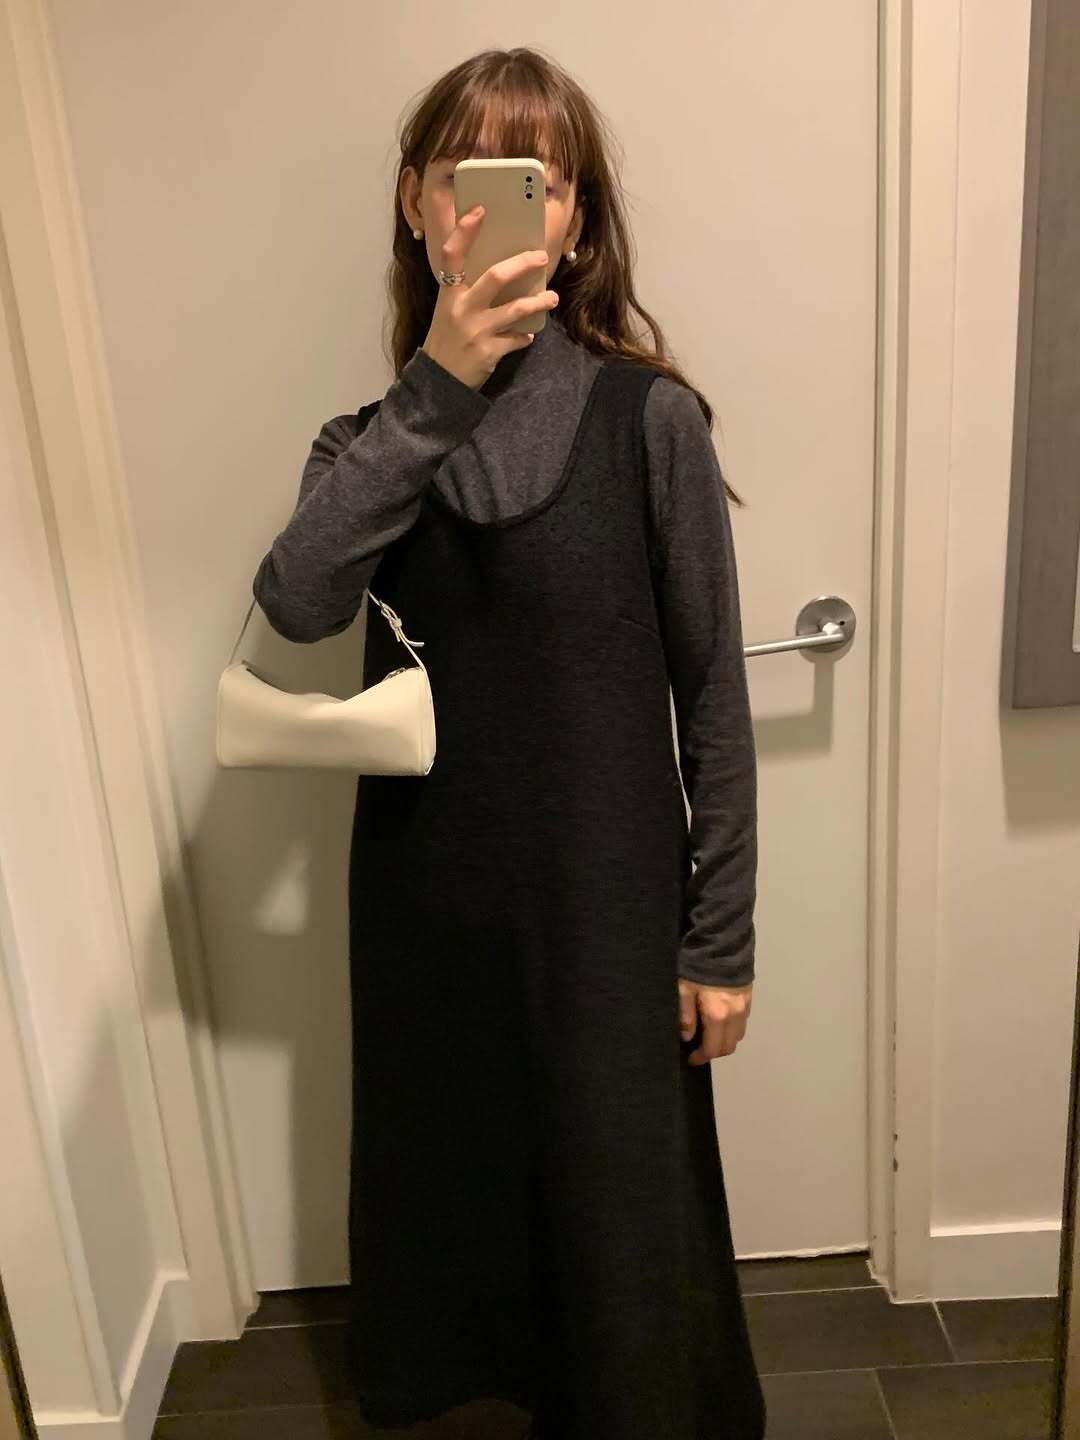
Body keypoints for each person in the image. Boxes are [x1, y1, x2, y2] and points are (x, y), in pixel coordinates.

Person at [252, 45, 765, 1440]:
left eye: (536, 181)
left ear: (576, 222)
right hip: (429, 919)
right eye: (461, 176)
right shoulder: (363, 442)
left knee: (619, 1213)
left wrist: (720, 938)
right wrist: (436, 391)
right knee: (466, 1200)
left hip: (609, 920)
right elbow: (296, 604)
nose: (489, 209)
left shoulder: (650, 422)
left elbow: (712, 697)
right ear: (417, 206)